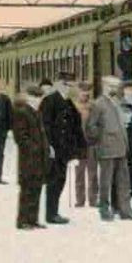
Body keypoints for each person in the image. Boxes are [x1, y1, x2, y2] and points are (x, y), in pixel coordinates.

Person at [84, 75, 132, 221]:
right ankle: (104, 210)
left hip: (121, 147)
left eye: (116, 86)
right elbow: (91, 126)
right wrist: (101, 139)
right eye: (110, 86)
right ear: (104, 86)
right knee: (106, 182)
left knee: (123, 181)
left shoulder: (117, 102)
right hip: (106, 149)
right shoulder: (98, 104)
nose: (113, 89)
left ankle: (124, 210)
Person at [39, 74, 84, 225]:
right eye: (65, 84)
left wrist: (79, 149)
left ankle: (54, 212)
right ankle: (50, 214)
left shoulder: (69, 103)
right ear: (58, 84)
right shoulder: (49, 101)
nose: (68, 87)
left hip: (64, 150)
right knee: (53, 181)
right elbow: (45, 126)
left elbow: (76, 126)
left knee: (60, 180)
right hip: (54, 149)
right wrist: (49, 146)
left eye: (71, 85)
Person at [12, 86, 50, 230]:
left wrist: (45, 149)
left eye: (40, 98)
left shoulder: (35, 113)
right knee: (27, 190)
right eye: (37, 98)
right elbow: (21, 137)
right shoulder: (22, 113)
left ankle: (33, 219)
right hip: (28, 160)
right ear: (30, 98)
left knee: (36, 189)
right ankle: (22, 221)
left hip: (38, 160)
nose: (39, 101)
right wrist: (34, 148)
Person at [70, 83, 99, 208]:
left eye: (87, 92)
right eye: (82, 91)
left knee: (93, 173)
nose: (85, 94)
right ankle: (79, 199)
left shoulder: (94, 106)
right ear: (78, 92)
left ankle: (93, 199)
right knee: (79, 173)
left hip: (91, 143)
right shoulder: (73, 107)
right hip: (78, 144)